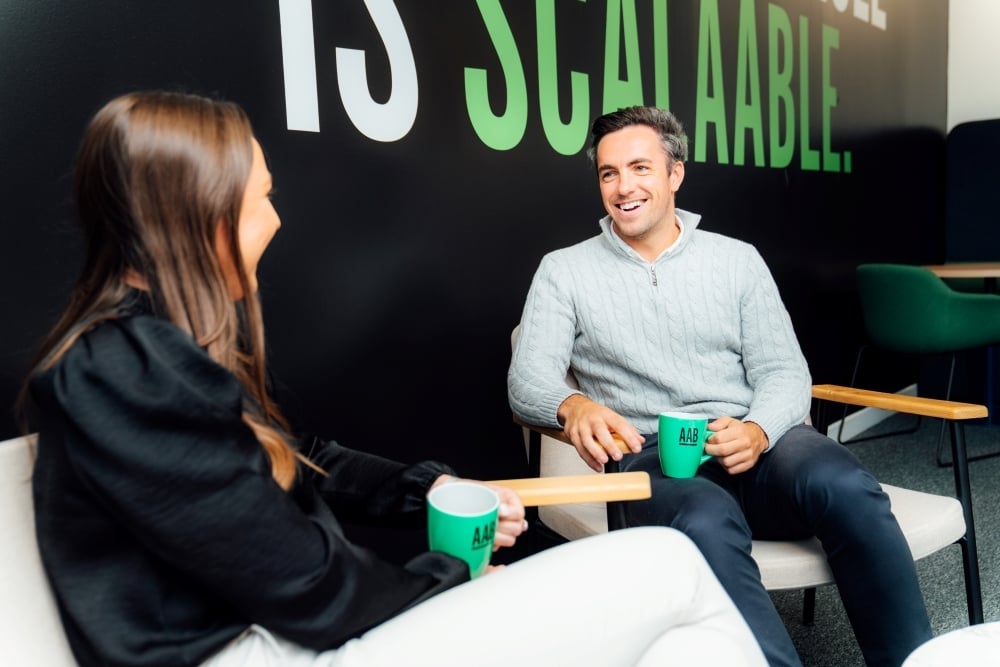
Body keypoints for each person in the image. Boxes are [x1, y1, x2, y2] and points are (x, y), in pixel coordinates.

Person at [20, 91, 768, 667]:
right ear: (197, 216)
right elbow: (315, 591)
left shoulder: (148, 354)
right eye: (258, 200)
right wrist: (453, 566)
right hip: (272, 650)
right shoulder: (121, 374)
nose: (276, 221)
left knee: (676, 630)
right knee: (672, 562)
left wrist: (430, 489)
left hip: (293, 633)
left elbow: (296, 452)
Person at [508, 106, 934, 667]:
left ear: (674, 174)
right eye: (609, 173)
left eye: (640, 167)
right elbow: (526, 380)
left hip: (753, 440)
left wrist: (758, 429)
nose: (623, 187)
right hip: (649, 455)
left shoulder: (737, 261)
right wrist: (573, 404)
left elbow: (785, 371)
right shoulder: (563, 270)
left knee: (842, 481)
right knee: (706, 517)